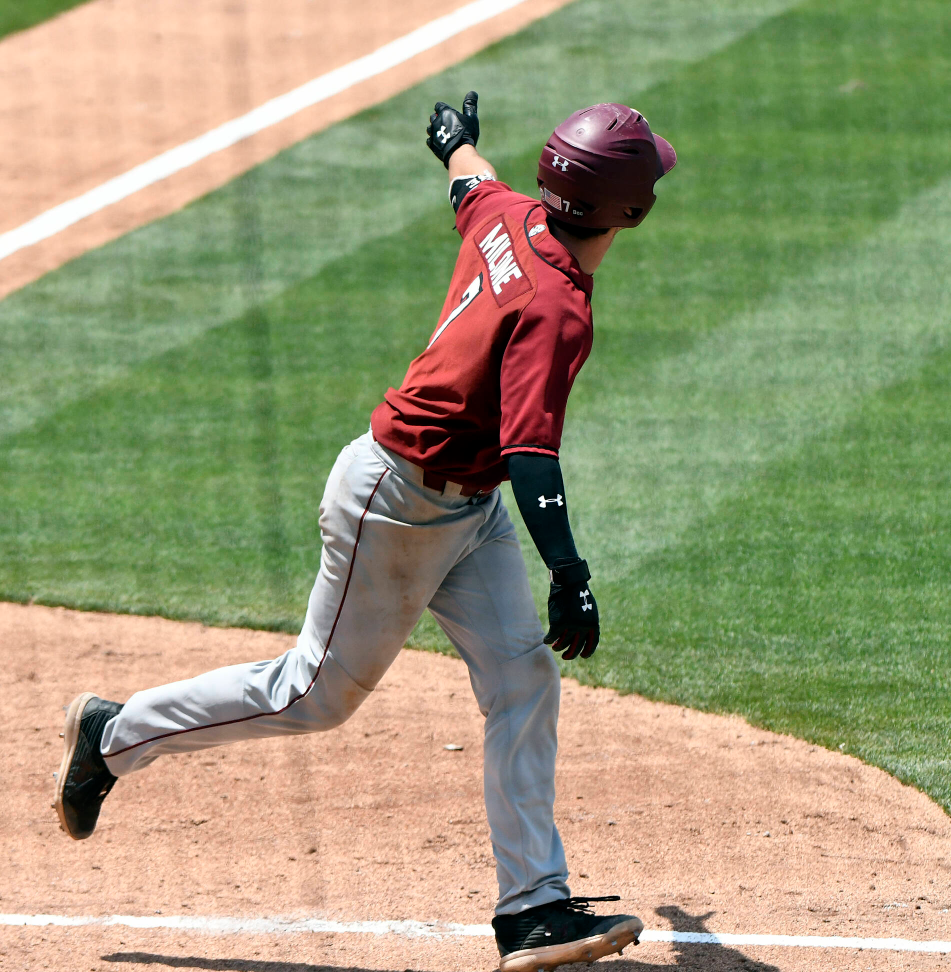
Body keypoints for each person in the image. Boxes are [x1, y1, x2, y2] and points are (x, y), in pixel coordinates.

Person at [52, 91, 676, 972]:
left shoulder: (514, 218)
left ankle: (532, 908)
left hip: (466, 506)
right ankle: (112, 737)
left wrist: (456, 147)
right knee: (312, 695)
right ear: (630, 210)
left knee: (522, 677)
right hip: (397, 503)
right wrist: (569, 571)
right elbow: (531, 452)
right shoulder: (558, 308)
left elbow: (473, 187)